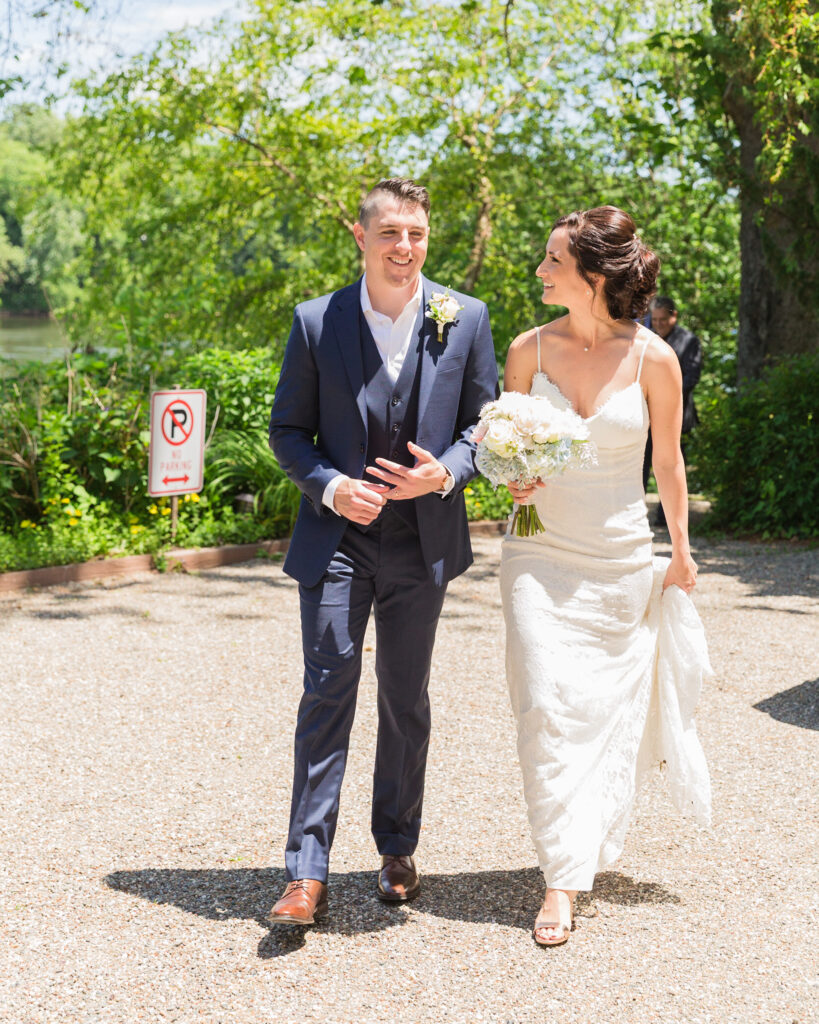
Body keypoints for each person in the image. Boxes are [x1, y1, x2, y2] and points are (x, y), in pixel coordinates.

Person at [266, 178, 498, 926]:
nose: (406, 247)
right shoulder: (314, 321)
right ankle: (306, 871)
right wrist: (331, 488)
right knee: (326, 691)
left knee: (405, 697)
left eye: (418, 234)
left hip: (420, 543)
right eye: (391, 232)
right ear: (361, 238)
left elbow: (481, 426)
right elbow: (287, 433)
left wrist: (446, 473)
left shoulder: (464, 318)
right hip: (337, 541)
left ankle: (397, 847)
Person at [500, 206, 711, 947]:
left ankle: (578, 850)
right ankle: (559, 879)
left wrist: (679, 552)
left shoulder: (655, 359)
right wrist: (514, 478)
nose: (539, 272)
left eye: (552, 261)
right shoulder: (525, 349)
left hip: (620, 557)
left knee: (598, 713)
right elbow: (510, 445)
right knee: (544, 701)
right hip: (537, 551)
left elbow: (668, 463)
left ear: (592, 275)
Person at [643, 296, 703, 526]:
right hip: (646, 418)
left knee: (672, 467)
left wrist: (662, 398)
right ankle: (638, 513)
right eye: (654, 319)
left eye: (662, 319)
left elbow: (691, 377)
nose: (658, 323)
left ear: (674, 316)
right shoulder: (647, 339)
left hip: (677, 416)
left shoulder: (689, 341)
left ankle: (668, 518)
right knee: (642, 465)